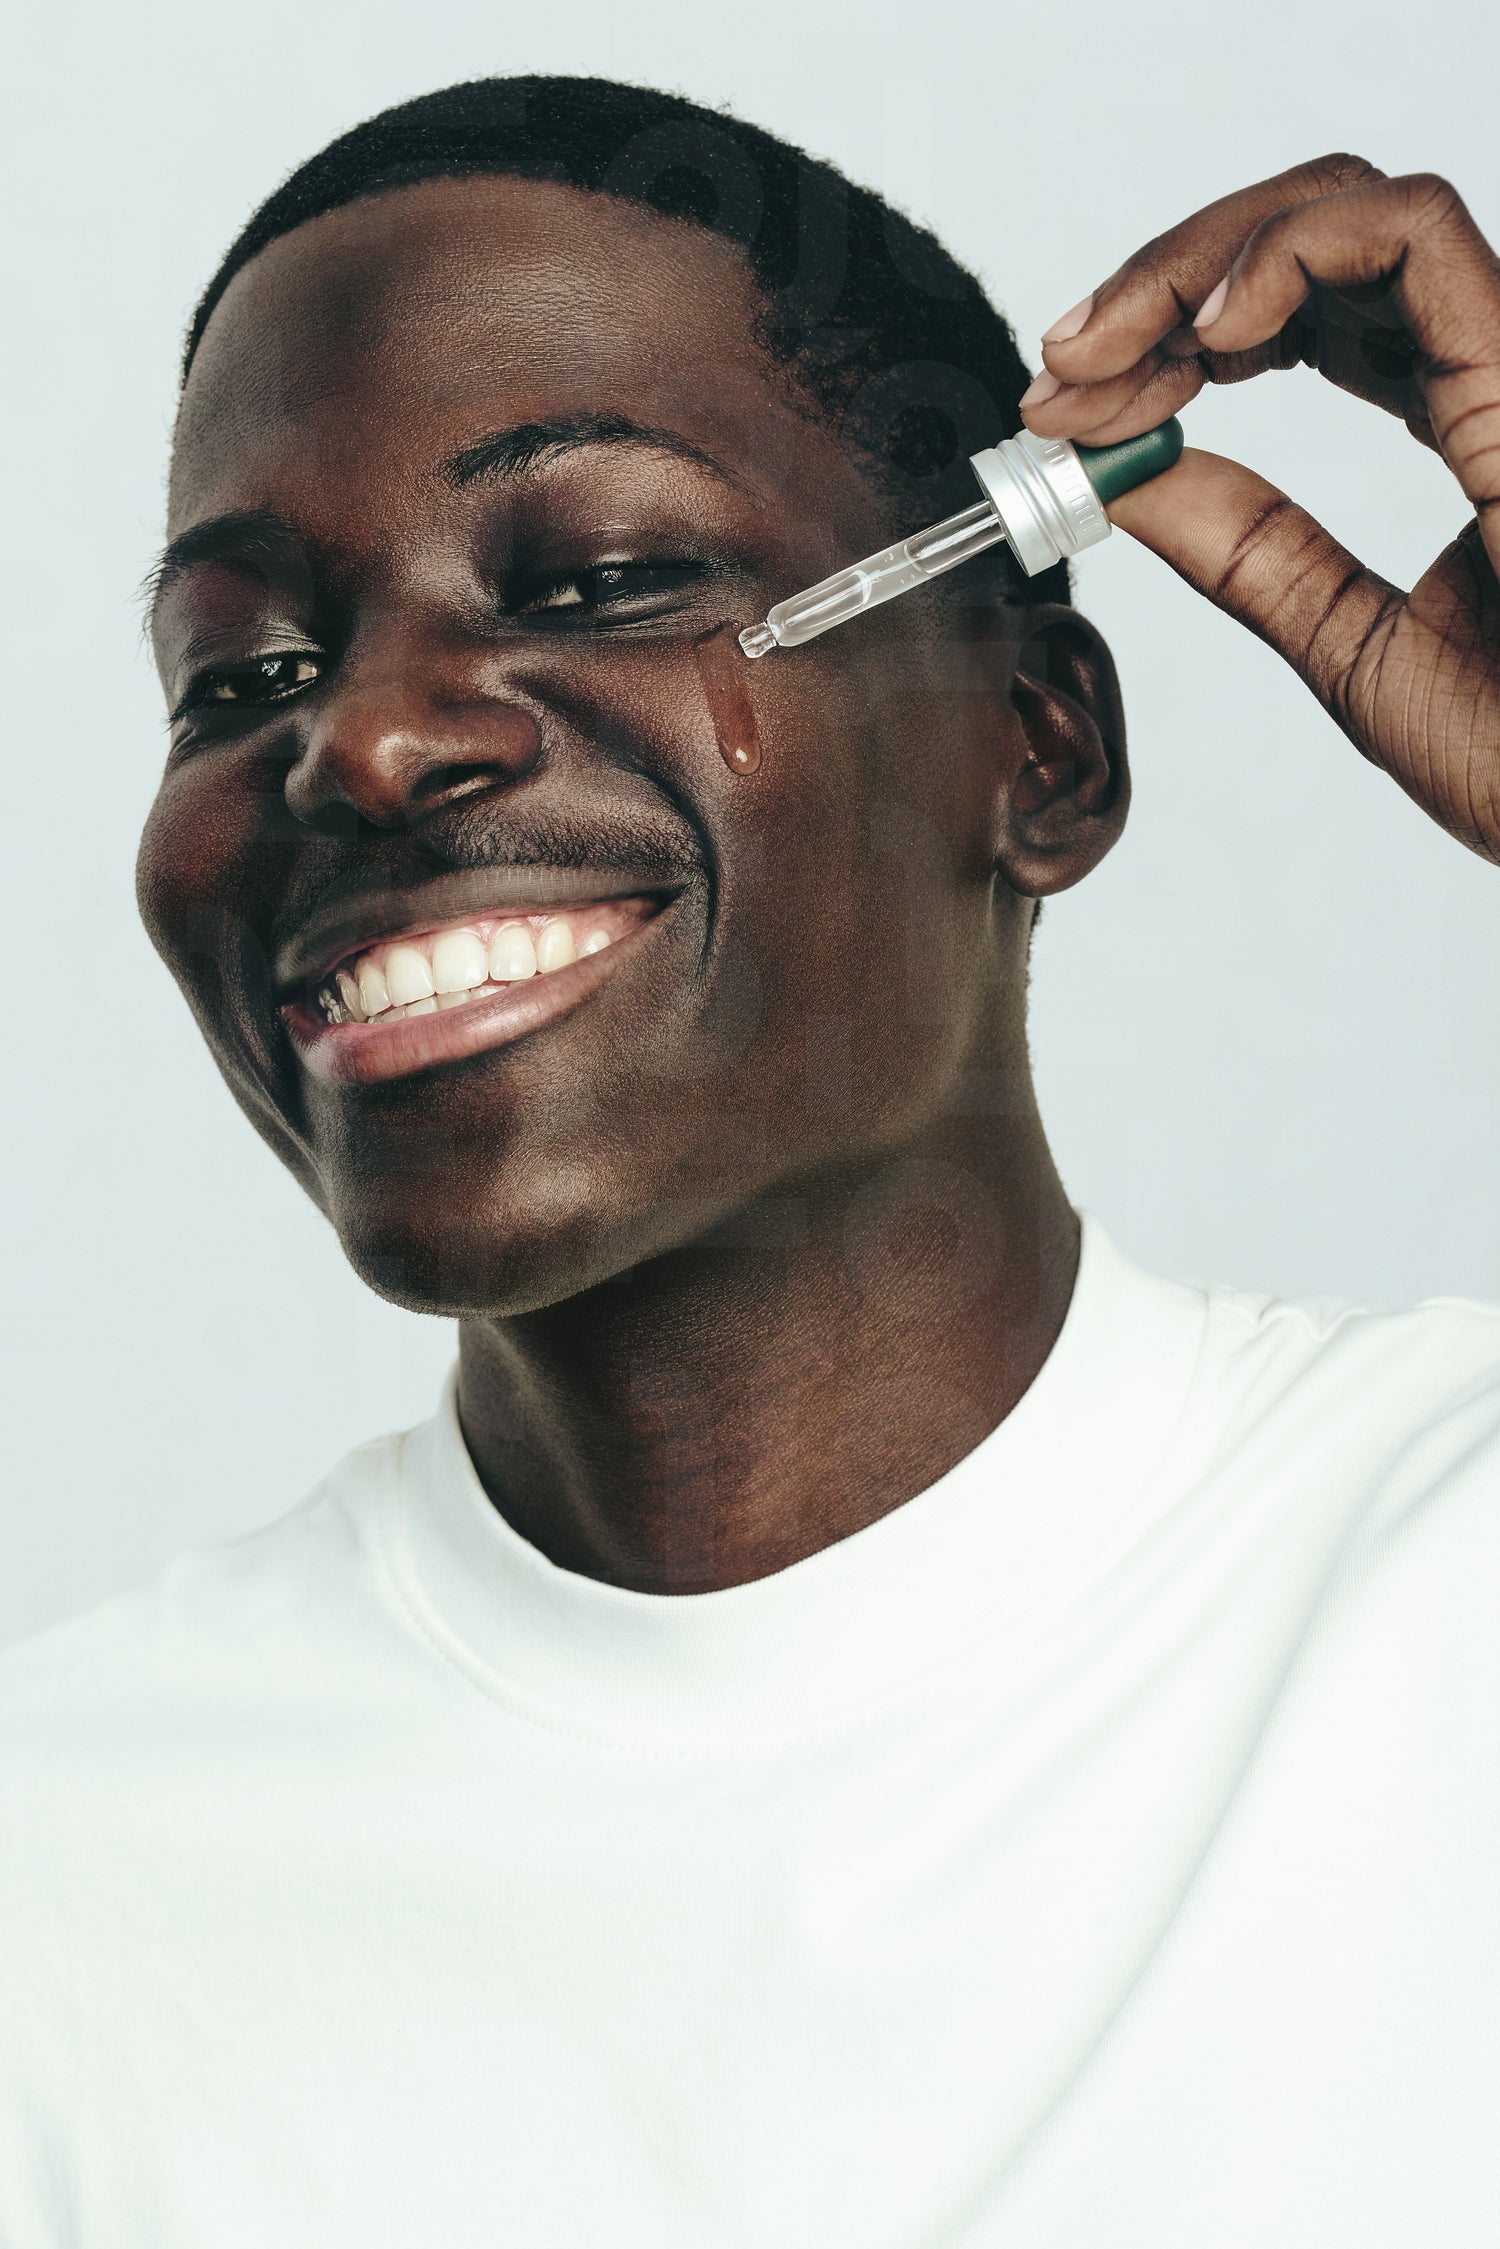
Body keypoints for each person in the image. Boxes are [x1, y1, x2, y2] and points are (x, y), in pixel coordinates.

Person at [2, 75, 1496, 2246]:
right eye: (244, 674)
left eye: (601, 576)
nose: (363, 738)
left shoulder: (1448, 1593)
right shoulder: (60, 1882)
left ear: (1039, 750)